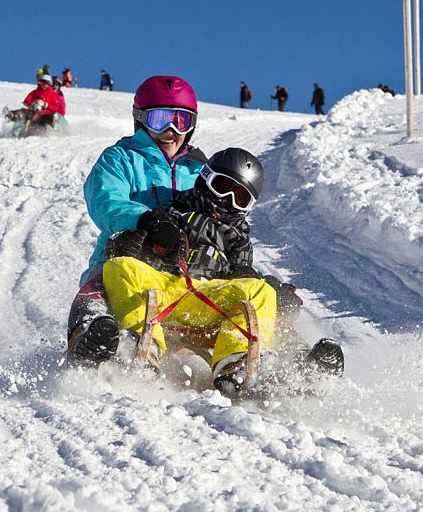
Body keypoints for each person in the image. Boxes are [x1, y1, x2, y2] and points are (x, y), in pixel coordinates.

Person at [100, 148, 344, 392]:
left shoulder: (238, 241)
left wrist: (272, 288)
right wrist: (135, 241)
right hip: (166, 290)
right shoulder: (169, 214)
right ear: (205, 179)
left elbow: (243, 277)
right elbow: (129, 246)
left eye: (240, 197)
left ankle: (241, 362)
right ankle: (141, 345)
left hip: (210, 300)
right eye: (222, 186)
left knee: (261, 292)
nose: (227, 200)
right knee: (119, 266)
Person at [66, 75, 207, 364]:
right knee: (98, 285)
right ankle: (90, 336)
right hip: (126, 252)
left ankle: (280, 355)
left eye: (181, 121)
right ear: (141, 120)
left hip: (184, 269)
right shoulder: (121, 158)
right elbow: (104, 198)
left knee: (237, 295)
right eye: (160, 120)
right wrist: (145, 219)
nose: (170, 131)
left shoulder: (200, 169)